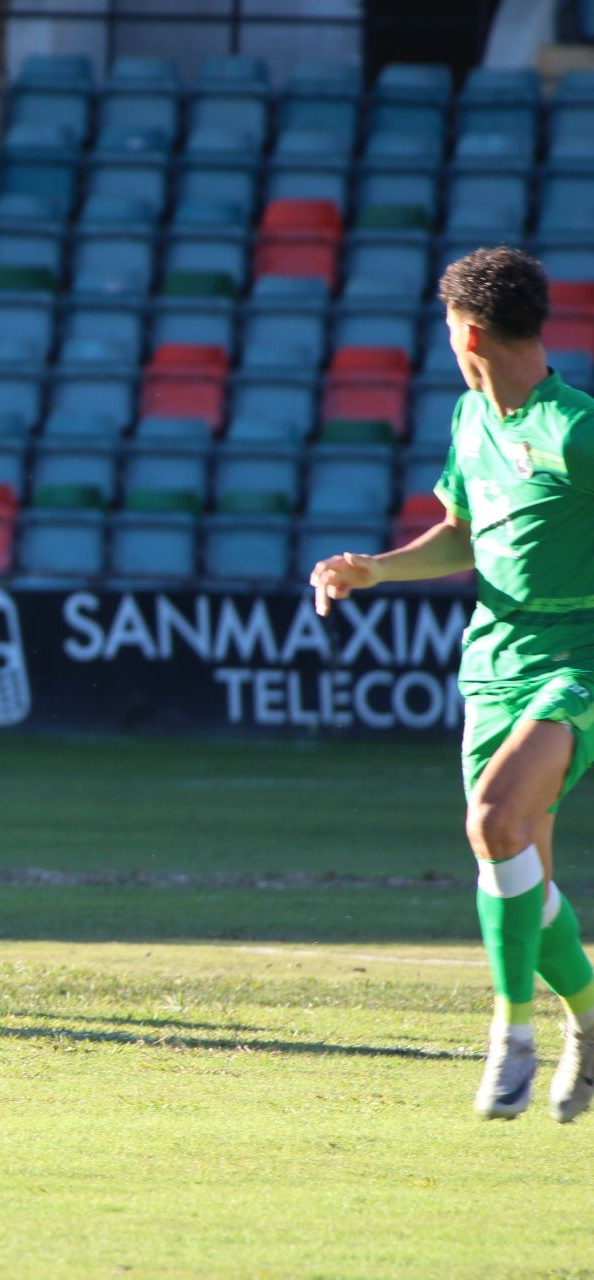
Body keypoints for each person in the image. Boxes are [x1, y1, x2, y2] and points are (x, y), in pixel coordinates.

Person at [311, 246, 594, 1121]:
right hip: (493, 662)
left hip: (574, 657)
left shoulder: (576, 428)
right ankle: (587, 1021)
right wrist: (374, 570)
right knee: (518, 872)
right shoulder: (473, 417)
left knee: (493, 818)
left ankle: (509, 1036)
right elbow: (464, 533)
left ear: (466, 330)